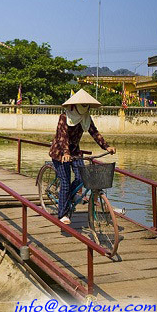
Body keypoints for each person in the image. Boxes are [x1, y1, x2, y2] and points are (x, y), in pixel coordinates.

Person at [49, 89, 116, 224]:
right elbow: (63, 137)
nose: (85, 108)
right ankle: (63, 214)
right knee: (66, 182)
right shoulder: (65, 117)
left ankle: (68, 196)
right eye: (82, 105)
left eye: (87, 105)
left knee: (81, 178)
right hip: (60, 153)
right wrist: (66, 153)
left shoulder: (86, 118)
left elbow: (94, 132)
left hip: (75, 152)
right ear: (74, 105)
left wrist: (106, 146)